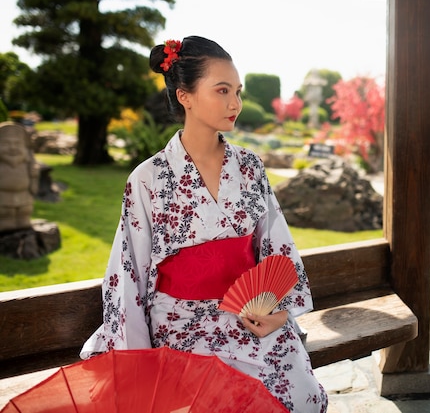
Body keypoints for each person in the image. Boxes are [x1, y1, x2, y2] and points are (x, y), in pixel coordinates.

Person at [80, 36, 328, 412]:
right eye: (223, 90)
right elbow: (127, 273)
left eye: (238, 92)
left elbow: (276, 247)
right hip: (182, 322)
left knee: (299, 392)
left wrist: (279, 311)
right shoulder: (147, 178)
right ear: (185, 96)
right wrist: (137, 361)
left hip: (249, 313)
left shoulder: (249, 167)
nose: (236, 103)